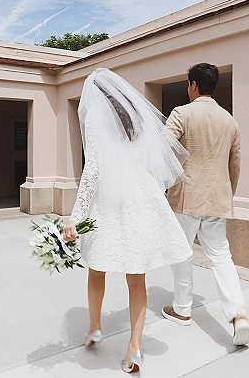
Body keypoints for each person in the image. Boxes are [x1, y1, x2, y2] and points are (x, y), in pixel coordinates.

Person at [63, 68, 192, 373]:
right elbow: (155, 162)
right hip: (142, 195)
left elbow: (93, 168)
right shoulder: (138, 118)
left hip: (110, 197)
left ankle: (95, 328)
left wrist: (76, 216)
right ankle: (134, 348)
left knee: (96, 268)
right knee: (137, 278)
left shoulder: (96, 117)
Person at [161, 63, 249, 346]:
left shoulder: (181, 113)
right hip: (217, 198)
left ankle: (182, 308)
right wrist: (227, 193)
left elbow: (162, 151)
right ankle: (238, 315)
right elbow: (235, 165)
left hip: (186, 198)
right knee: (222, 257)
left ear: (193, 85)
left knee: (182, 253)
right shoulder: (230, 120)